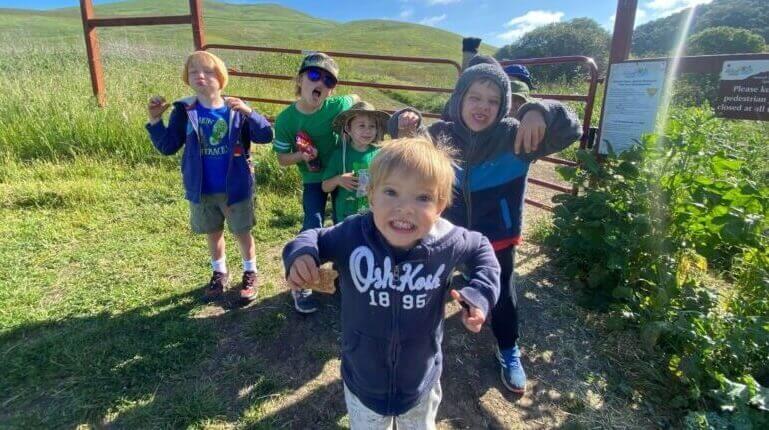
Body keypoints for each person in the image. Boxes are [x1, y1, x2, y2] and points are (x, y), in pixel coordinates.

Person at [389, 62, 582, 394]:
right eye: (474, 97)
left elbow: (572, 128)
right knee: (431, 287)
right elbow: (406, 144)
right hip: (446, 235)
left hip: (497, 237)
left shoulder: (516, 135)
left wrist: (539, 111)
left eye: (493, 100)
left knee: (503, 294)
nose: (483, 106)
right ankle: (414, 345)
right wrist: (401, 120)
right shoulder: (440, 136)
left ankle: (508, 349)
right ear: (459, 99)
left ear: (504, 105)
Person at [283, 138, 500, 429]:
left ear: (441, 206)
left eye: (422, 198)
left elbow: (481, 250)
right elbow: (314, 237)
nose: (405, 208)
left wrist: (480, 293)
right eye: (391, 192)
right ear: (371, 195)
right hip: (363, 380)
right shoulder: (354, 234)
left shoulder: (447, 241)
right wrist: (301, 255)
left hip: (420, 382)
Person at [145, 50, 273, 303]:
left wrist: (250, 112)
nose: (200, 76)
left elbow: (266, 135)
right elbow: (168, 146)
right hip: (202, 188)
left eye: (208, 71)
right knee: (213, 232)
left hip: (235, 187)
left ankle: (250, 271)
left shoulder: (235, 108)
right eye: (194, 72)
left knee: (242, 231)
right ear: (187, 78)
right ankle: (219, 272)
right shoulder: (184, 110)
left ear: (221, 78)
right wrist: (155, 120)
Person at [272, 52, 360, 314]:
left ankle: (343, 274)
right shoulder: (287, 119)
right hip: (313, 179)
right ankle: (302, 282)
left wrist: (357, 121)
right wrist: (301, 155)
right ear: (300, 79)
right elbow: (282, 159)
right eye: (313, 75)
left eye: (329, 81)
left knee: (348, 220)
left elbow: (354, 98)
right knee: (313, 222)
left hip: (341, 175)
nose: (320, 82)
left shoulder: (336, 106)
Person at [322, 101, 389, 223]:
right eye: (361, 125)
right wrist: (338, 179)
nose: (367, 131)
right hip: (345, 217)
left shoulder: (381, 154)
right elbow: (325, 187)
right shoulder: (339, 155)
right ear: (348, 128)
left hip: (372, 216)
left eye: (372, 126)